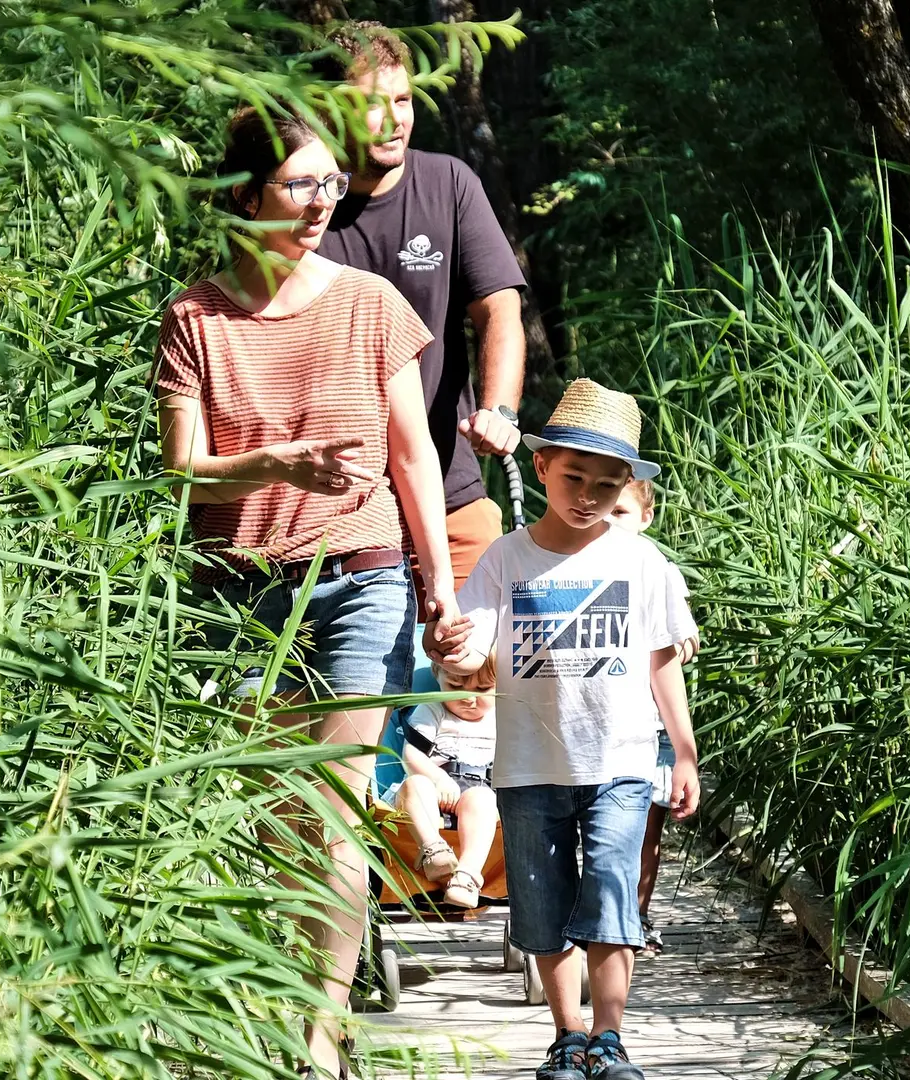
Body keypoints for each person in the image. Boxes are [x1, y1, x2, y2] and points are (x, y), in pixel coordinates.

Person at [154, 106, 462, 1080]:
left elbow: (413, 457)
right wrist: (276, 464)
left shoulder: (371, 303)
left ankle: (318, 1045)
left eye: (331, 183)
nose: (323, 202)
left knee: (331, 812)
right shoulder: (194, 321)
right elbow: (182, 474)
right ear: (246, 197)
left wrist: (441, 590)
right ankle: (285, 1000)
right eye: (301, 185)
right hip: (239, 593)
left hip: (361, 580)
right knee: (275, 819)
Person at [425, 379, 701, 1080]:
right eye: (574, 477)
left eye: (608, 485)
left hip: (621, 762)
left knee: (611, 897)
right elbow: (472, 650)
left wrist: (685, 752)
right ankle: (568, 1035)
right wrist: (447, 647)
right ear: (542, 466)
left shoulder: (641, 562)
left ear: (628, 487)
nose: (588, 496)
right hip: (527, 766)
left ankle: (610, 1037)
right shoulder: (505, 559)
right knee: (542, 907)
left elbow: (662, 661)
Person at [314, 22, 529, 601]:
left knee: (475, 660)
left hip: (450, 492)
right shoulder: (303, 204)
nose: (394, 120)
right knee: (354, 666)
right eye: (372, 105)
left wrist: (499, 411)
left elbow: (499, 309)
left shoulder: (449, 183)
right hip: (338, 510)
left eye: (404, 100)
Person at [608, 480, 702, 956]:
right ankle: (594, 912)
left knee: (647, 827)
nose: (609, 521)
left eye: (620, 512)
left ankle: (636, 915)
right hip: (600, 723)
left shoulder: (657, 569)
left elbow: (685, 635)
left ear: (646, 517)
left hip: (651, 723)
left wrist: (674, 645)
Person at [393, 660, 499, 909]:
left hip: (478, 790)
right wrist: (438, 779)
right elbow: (412, 754)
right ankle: (434, 851)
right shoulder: (432, 709)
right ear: (437, 675)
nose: (469, 699)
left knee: (483, 799)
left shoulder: (501, 716)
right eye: (455, 686)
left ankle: (466, 876)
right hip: (433, 785)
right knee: (415, 785)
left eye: (482, 689)